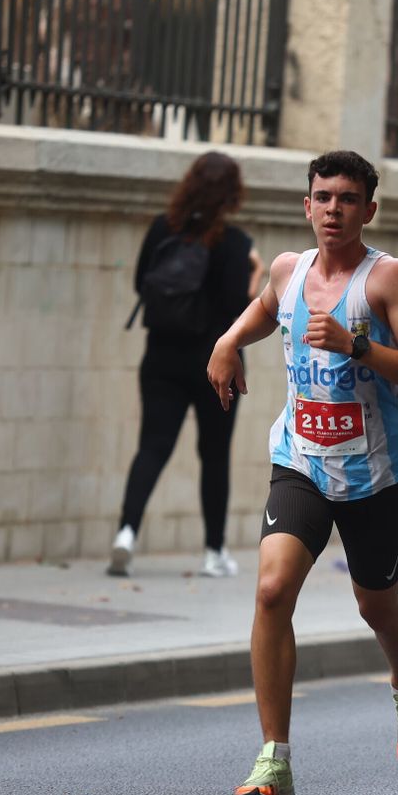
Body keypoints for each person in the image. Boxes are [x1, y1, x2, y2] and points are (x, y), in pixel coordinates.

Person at [206, 150, 398, 795]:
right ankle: (273, 758)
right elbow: (264, 310)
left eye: (346, 199)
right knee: (273, 588)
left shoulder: (388, 281)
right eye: (322, 197)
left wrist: (358, 345)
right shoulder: (288, 270)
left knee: (377, 607)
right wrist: (229, 342)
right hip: (301, 461)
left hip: (372, 474)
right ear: (305, 206)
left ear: (368, 209)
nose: (333, 209)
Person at [111, 151, 263, 579]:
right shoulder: (236, 243)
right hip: (216, 364)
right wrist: (257, 274)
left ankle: (126, 532)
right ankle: (214, 552)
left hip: (161, 356)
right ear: (233, 193)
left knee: (152, 446)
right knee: (214, 456)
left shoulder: (163, 229)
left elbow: (142, 283)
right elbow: (240, 309)